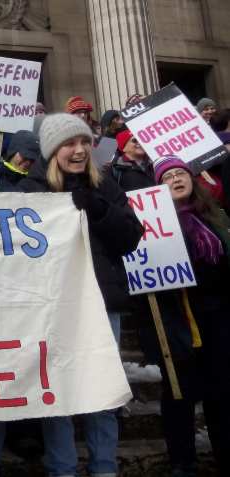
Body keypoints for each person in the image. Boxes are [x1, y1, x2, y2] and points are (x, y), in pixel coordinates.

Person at [17, 113, 143, 477]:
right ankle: (62, 469)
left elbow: (131, 237)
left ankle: (105, 468)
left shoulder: (105, 185)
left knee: (103, 394)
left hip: (102, 305)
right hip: (53, 308)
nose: (79, 149)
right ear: (53, 148)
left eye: (85, 142)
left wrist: (100, 209)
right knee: (59, 394)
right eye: (70, 143)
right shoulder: (30, 190)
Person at [138, 156, 230, 477]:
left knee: (221, 392)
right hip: (176, 320)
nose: (177, 179)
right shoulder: (150, 227)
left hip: (217, 320)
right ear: (158, 188)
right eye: (168, 177)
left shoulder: (214, 216)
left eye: (181, 174)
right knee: (179, 393)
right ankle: (183, 462)